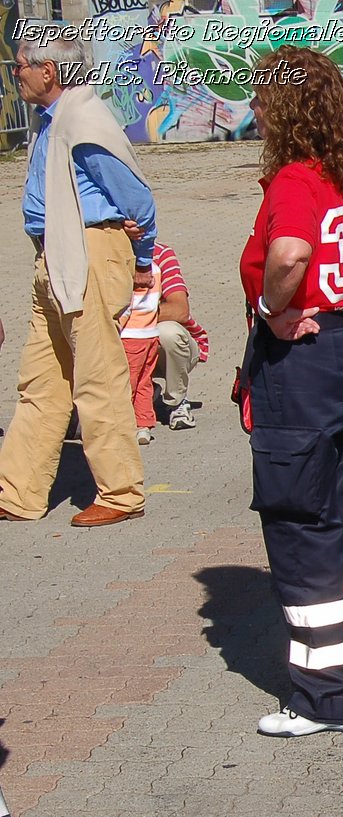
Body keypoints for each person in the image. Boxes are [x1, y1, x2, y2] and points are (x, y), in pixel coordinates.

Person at [240, 46, 343, 738]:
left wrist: (275, 307)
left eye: (261, 98)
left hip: (301, 357)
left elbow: (290, 255)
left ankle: (325, 694)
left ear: (284, 109)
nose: (253, 109)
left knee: (300, 524)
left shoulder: (295, 184)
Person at [0, 36, 155, 528]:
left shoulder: (84, 120)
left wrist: (144, 257)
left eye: (21, 65)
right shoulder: (53, 121)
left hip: (88, 254)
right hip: (57, 255)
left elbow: (138, 199)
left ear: (49, 71)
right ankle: (18, 491)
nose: (15, 73)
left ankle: (121, 492)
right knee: (41, 379)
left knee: (97, 376)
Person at [150, 243, 209, 432]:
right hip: (125, 340)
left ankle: (177, 401)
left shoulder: (160, 254)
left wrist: (132, 316)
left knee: (169, 333)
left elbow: (180, 310)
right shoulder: (98, 253)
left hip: (170, 346)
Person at [118, 254, 162, 447]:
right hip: (150, 333)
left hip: (130, 335)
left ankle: (123, 425)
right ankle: (143, 424)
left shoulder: (130, 271)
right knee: (145, 381)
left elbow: (125, 307)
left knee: (128, 383)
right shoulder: (156, 268)